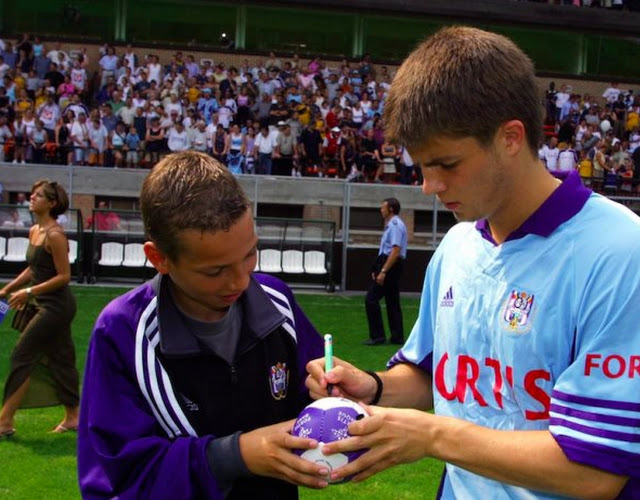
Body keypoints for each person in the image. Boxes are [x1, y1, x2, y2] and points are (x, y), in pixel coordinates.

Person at [306, 27, 640, 499]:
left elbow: (596, 471)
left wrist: (432, 435)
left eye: (448, 164)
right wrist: (373, 388)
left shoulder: (619, 250)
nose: (429, 186)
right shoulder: (457, 246)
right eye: (422, 166)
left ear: (511, 137)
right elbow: (432, 376)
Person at [77, 151, 327, 499]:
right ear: (158, 258)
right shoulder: (123, 331)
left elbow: (309, 402)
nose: (240, 281)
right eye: (215, 271)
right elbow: (115, 480)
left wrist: (328, 399)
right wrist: (235, 456)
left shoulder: (276, 299)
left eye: (250, 254)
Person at [0, 180, 79, 437]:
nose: (31, 198)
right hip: (43, 303)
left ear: (52, 203)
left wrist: (29, 292)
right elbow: (34, 268)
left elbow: (64, 276)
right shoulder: (35, 230)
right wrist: (8, 289)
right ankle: (74, 417)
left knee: (22, 355)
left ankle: (4, 422)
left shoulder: (55, 235)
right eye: (32, 194)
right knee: (61, 359)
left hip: (56, 306)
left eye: (38, 196)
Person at [364, 198, 407, 346]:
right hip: (389, 263)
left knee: (371, 299)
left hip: (391, 265)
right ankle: (397, 336)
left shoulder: (395, 225)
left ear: (391, 209)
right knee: (392, 301)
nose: (381, 210)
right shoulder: (392, 224)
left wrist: (383, 271)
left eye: (383, 207)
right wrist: (377, 267)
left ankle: (378, 336)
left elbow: (395, 250)